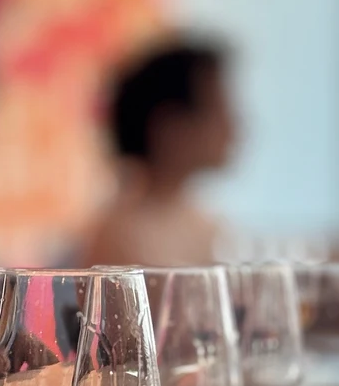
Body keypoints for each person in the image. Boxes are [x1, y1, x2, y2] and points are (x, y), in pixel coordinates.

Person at [82, 39, 237, 268]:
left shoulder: (207, 225)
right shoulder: (122, 236)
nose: (232, 126)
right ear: (167, 126)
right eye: (217, 110)